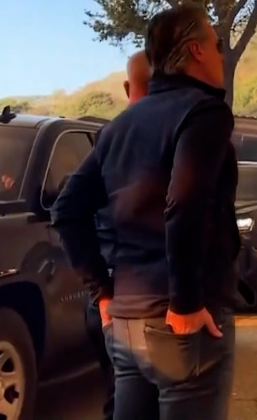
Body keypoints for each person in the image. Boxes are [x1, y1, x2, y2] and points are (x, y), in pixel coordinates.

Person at [52, 3, 241, 420]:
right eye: (217, 44)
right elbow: (185, 202)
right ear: (195, 50)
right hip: (179, 324)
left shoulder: (118, 126)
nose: (221, 55)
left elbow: (66, 209)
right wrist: (187, 301)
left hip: (126, 319)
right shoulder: (204, 112)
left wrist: (102, 293)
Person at [83, 50, 158, 420]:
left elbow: (68, 210)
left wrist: (100, 293)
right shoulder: (171, 136)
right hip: (148, 296)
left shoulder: (107, 137)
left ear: (129, 86)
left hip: (112, 296)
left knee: (120, 396)